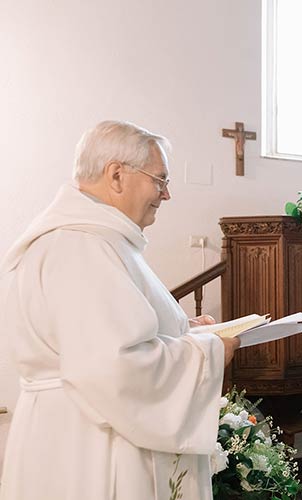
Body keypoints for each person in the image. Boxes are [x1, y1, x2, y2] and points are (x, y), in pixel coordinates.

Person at [0, 121, 240, 499]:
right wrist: (209, 351)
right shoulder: (79, 246)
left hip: (77, 433)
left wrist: (181, 329)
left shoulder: (95, 241)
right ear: (116, 175)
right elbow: (114, 366)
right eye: (160, 181)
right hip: (89, 450)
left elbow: (108, 335)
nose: (166, 194)